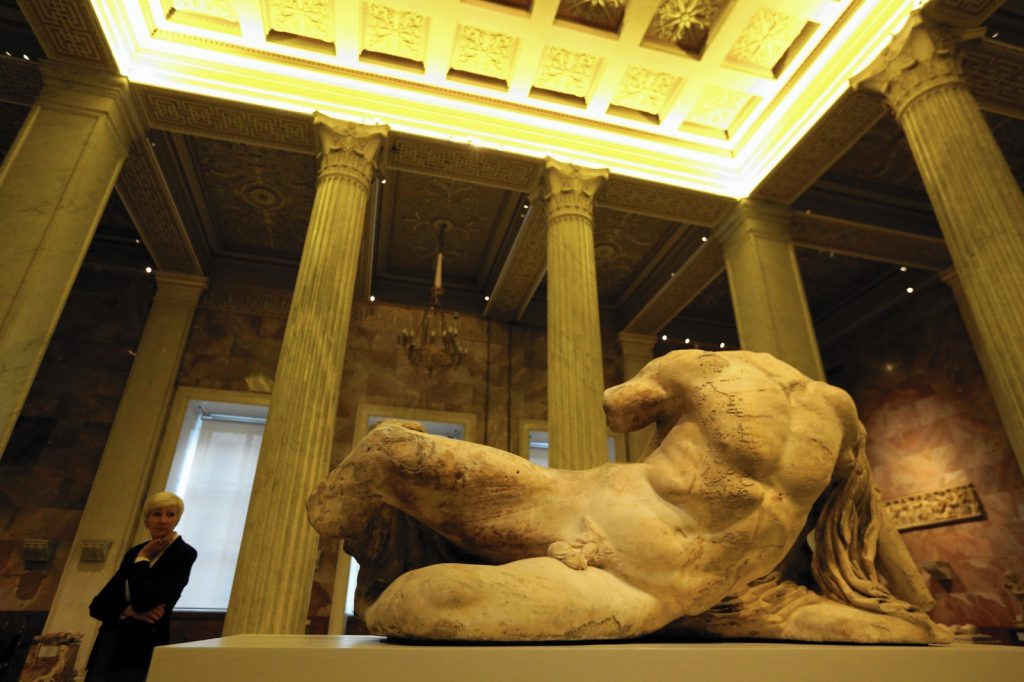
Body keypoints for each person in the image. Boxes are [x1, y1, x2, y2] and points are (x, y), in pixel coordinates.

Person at [85, 492, 197, 681]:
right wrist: (129, 611)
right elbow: (97, 606)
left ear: (177, 520)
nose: (163, 520)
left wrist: (143, 560)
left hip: (140, 646)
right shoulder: (135, 552)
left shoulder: (184, 553)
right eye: (156, 514)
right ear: (146, 520)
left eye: (170, 514)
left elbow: (146, 601)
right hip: (109, 642)